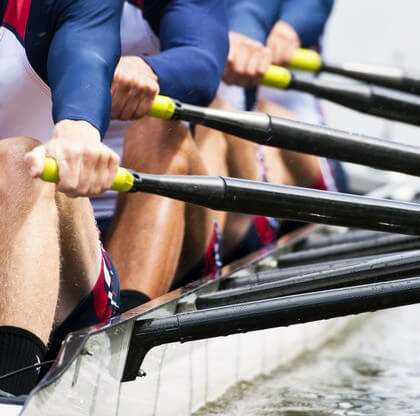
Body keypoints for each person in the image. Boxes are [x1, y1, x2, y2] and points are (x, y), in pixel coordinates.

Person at [0, 0, 123, 395]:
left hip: (64, 274)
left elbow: (86, 54)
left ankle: (9, 389)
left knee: (22, 159)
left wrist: (78, 130)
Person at [91, 0, 228, 307]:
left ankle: (125, 319)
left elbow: (203, 64)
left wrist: (148, 69)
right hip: (51, 204)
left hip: (147, 206)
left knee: (158, 129)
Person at [196, 0, 344, 264]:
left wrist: (287, 32)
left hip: (302, 150)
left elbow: (313, 7)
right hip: (228, 139)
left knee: (253, 115)